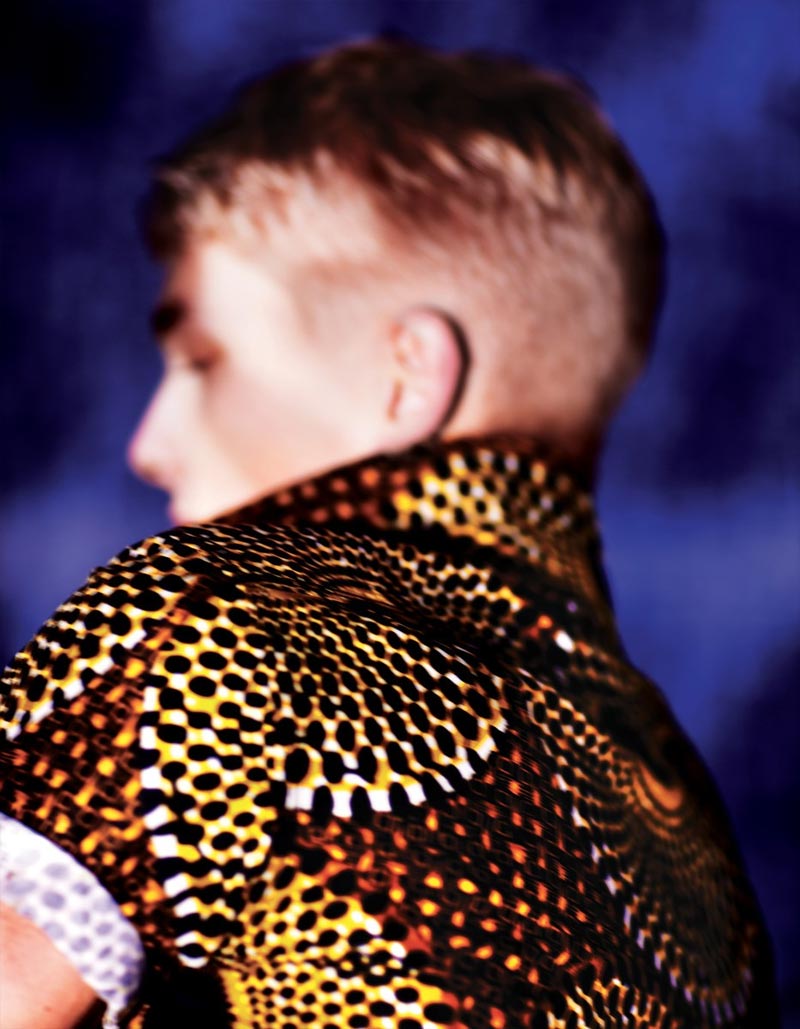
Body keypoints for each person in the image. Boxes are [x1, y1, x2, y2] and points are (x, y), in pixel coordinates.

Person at [0, 38, 777, 1029]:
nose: (149, 444)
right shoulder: (706, 880)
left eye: (201, 357)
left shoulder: (220, 626)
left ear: (406, 375)